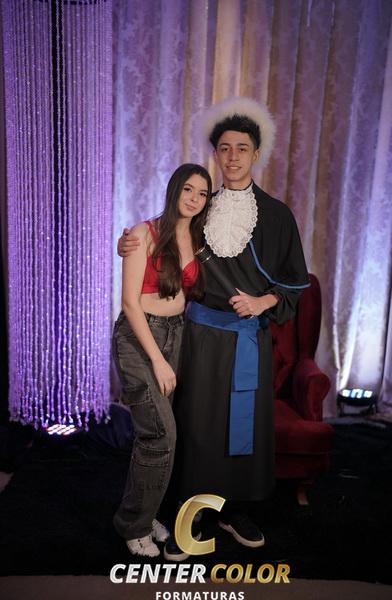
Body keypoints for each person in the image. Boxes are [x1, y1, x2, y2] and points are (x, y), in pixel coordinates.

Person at [118, 97, 309, 560]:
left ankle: (234, 510)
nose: (233, 157)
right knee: (198, 425)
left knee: (241, 429)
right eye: (224, 148)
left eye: (242, 148)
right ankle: (193, 510)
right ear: (216, 154)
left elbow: (294, 282)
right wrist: (129, 240)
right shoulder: (203, 208)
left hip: (248, 339)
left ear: (256, 154)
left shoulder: (278, 215)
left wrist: (264, 301)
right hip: (197, 337)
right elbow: (164, 232)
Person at [112, 163, 212, 557]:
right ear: (174, 190)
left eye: (202, 193)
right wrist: (157, 359)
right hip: (140, 339)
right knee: (161, 435)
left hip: (176, 335)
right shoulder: (143, 234)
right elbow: (129, 303)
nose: (194, 199)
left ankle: (146, 510)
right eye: (188, 189)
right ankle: (133, 525)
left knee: (152, 435)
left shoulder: (199, 238)